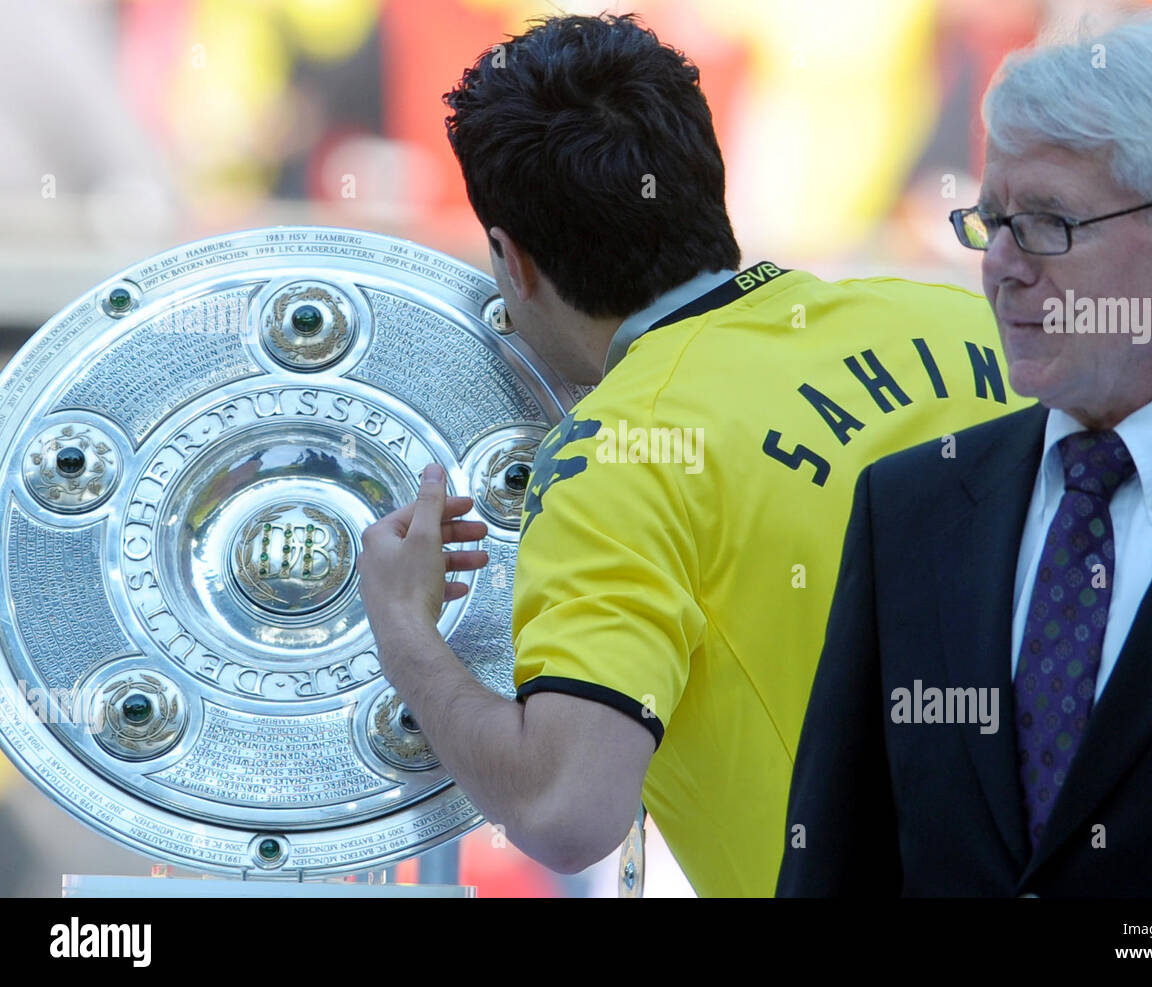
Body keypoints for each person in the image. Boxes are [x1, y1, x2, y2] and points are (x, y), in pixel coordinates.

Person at [357, 12, 1030, 898]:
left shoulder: (614, 458)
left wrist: (405, 630)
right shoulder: (970, 321)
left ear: (511, 262)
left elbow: (567, 807)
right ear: (707, 182)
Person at [778, 9, 1152, 897]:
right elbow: (835, 864)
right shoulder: (910, 508)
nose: (1004, 265)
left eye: (1051, 222)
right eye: (991, 221)